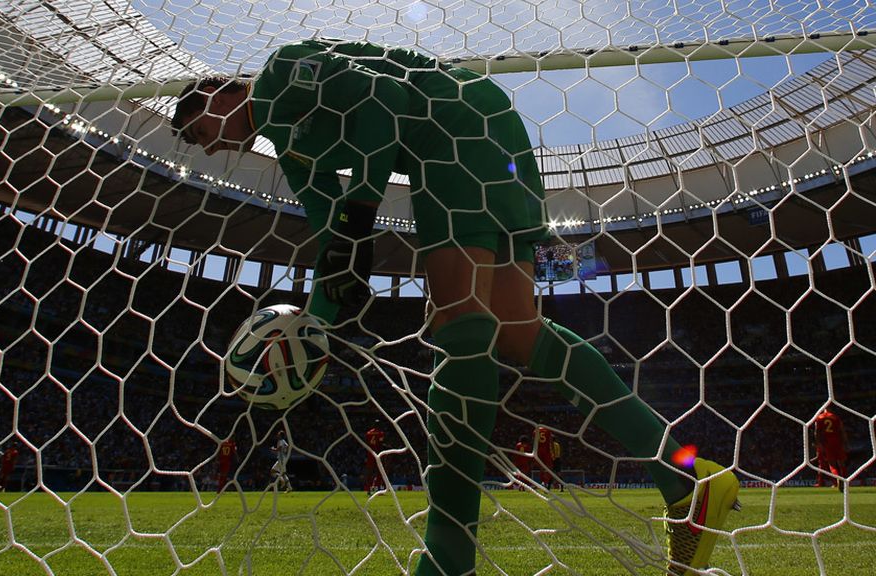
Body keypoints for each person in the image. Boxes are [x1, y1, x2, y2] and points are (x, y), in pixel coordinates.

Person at [171, 38, 740, 575]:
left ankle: (448, 554)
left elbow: (382, 100)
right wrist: (314, 325)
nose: (212, 144)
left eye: (203, 128)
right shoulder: (290, 146)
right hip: (488, 134)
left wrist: (361, 212)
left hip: (451, 134)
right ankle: (687, 477)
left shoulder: (278, 76)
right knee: (519, 334)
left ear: (225, 94)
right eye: (200, 143)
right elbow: (331, 232)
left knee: (457, 323)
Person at [813, 406, 848, 491]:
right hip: (837, 440)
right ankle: (844, 480)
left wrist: (818, 444)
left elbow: (817, 431)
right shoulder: (835, 417)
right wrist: (845, 442)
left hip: (827, 442)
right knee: (841, 462)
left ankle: (837, 479)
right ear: (831, 409)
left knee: (831, 464)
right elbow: (842, 430)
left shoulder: (819, 417)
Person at [364, 420, 386, 493]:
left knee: (369, 472)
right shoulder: (381, 433)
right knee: (379, 471)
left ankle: (368, 489)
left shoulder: (368, 433)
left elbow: (367, 443)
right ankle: (378, 487)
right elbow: (381, 443)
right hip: (378, 454)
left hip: (370, 454)